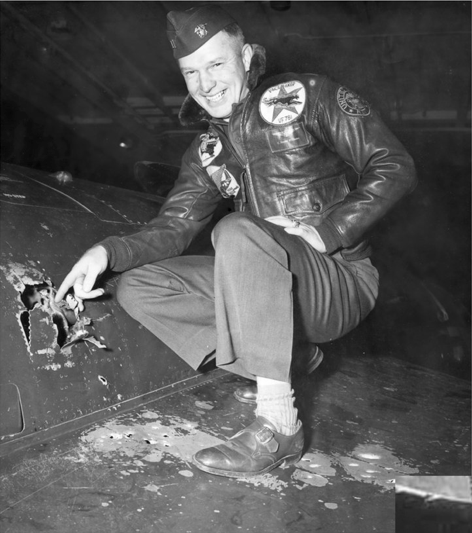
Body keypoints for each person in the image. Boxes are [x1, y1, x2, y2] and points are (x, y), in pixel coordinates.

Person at [55, 5, 417, 478]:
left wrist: (329, 230)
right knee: (138, 287)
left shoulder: (307, 96)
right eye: (191, 73)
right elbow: (173, 227)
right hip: (267, 287)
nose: (205, 85)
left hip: (338, 279)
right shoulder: (205, 152)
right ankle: (286, 360)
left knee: (235, 231)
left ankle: (279, 426)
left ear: (246, 57)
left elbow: (394, 165)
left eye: (216, 65)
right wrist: (108, 251)